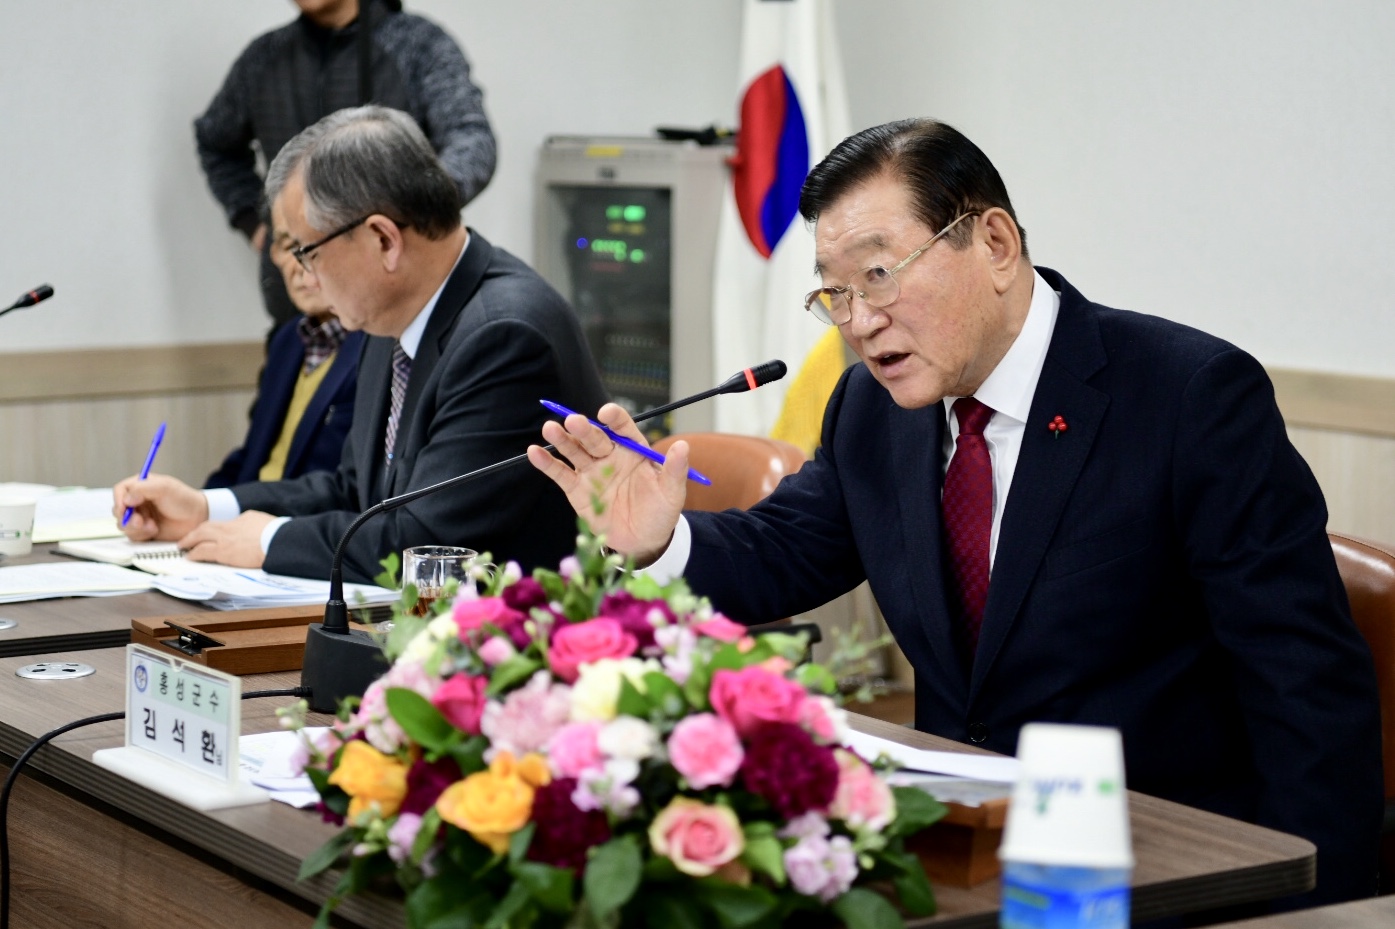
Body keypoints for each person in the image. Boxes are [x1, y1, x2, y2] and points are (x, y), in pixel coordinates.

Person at [528, 119, 1384, 905]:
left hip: (1154, 868)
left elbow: (1304, 688)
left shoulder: (1185, 397)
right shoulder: (871, 408)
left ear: (995, 242)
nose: (858, 322)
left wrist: (1321, 909)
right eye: (832, 294)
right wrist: (658, 544)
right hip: (952, 859)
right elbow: (786, 549)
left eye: (876, 274)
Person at [118, 105, 607, 583]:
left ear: (383, 241)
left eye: (306, 251)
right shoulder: (392, 313)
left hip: (520, 646)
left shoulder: (503, 335)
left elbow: (425, 542)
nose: (304, 273)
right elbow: (354, 489)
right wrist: (210, 508)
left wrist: (271, 541)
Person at [195, 0, 496, 329]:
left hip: (393, 303)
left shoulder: (418, 44)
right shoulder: (264, 57)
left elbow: (471, 139)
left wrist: (411, 207)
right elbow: (215, 142)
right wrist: (255, 223)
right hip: (298, 310)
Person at [204, 197, 365, 489]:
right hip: (244, 518)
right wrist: (200, 505)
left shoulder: (379, 345)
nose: (300, 266)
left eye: (312, 246)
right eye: (290, 247)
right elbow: (251, 457)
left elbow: (343, 488)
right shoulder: (287, 340)